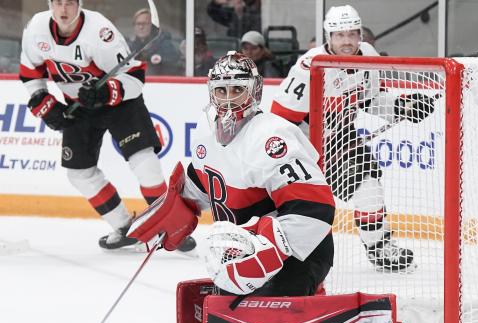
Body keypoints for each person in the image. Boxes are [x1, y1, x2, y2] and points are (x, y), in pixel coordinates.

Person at [129, 52, 335, 297]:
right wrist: (178, 206)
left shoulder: (272, 137)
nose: (228, 100)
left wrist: (268, 248)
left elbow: (314, 210)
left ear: (254, 91)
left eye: (237, 89)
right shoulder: (205, 128)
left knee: (260, 313)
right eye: (221, 91)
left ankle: (311, 292)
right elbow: (202, 181)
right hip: (241, 252)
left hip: (299, 254)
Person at [19, 0, 196, 252]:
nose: (63, 9)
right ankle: (125, 228)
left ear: (79, 4)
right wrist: (45, 104)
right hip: (78, 106)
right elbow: (30, 74)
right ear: (50, 5)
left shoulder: (100, 32)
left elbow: (135, 78)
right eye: (58, 2)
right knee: (79, 173)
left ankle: (172, 225)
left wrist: (106, 92)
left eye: (69, 2)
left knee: (144, 163)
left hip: (120, 103)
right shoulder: (36, 29)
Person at [270, 5, 435, 273]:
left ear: (360, 34)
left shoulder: (367, 56)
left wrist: (403, 106)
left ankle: (379, 249)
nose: (346, 41)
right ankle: (276, 248)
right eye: (339, 35)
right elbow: (281, 119)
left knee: (369, 186)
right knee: (298, 206)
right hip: (303, 144)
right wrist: (300, 156)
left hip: (342, 138)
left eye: (351, 34)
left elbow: (372, 100)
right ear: (328, 36)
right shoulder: (309, 66)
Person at [129, 8, 180, 76]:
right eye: (138, 24)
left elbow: (173, 63)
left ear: (153, 26)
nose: (141, 27)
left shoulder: (165, 44)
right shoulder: (129, 47)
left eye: (145, 23)